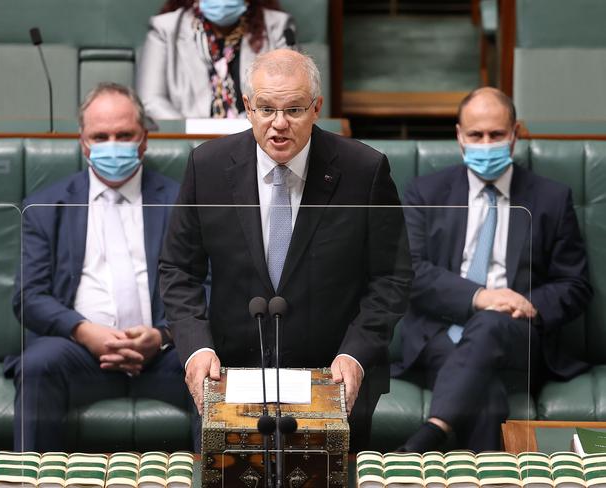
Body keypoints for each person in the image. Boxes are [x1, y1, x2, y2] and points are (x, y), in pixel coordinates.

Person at [159, 48, 413, 451]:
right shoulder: (206, 166)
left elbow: (391, 276)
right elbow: (177, 269)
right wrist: (196, 348)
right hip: (231, 372)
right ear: (247, 107)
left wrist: (357, 353)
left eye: (294, 110)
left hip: (333, 375)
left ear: (317, 108)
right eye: (266, 109)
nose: (279, 124)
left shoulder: (364, 170)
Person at [393, 87, 593, 453]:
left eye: (497, 135)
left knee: (491, 322)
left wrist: (524, 303)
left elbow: (575, 284)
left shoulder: (550, 198)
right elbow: (411, 273)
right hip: (441, 330)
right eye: (476, 135)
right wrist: (481, 296)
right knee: (486, 397)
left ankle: (433, 431)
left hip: (519, 332)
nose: (486, 144)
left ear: (515, 134)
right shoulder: (426, 193)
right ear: (459, 137)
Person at [8, 83, 184, 452]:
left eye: (124, 135)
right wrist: (85, 331)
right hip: (78, 352)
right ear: (83, 142)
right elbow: (29, 295)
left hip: (165, 354)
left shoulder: (180, 201)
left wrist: (164, 335)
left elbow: (208, 284)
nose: (112, 145)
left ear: (144, 139)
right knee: (38, 364)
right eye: (100, 136)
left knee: (213, 369)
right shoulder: (45, 205)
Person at [137, 0, 295, 120]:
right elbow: (151, 101)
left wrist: (251, 125)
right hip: (191, 144)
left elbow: (290, 91)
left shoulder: (278, 27)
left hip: (254, 139)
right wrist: (195, 135)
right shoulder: (165, 29)